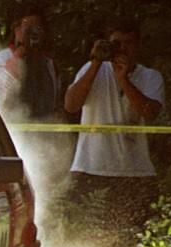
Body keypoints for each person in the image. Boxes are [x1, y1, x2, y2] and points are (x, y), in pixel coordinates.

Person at [63, 17, 165, 234]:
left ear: (138, 45)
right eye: (116, 43)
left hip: (134, 171)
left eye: (128, 43)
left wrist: (123, 79)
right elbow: (71, 105)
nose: (123, 48)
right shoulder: (91, 70)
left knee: (132, 237)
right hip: (91, 167)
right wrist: (96, 62)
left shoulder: (150, 76)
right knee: (86, 234)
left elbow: (149, 113)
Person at [0, 3, 61, 120]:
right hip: (14, 134)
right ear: (16, 29)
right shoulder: (3, 58)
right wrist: (18, 57)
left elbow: (54, 105)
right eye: (29, 29)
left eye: (37, 28)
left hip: (44, 134)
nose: (34, 33)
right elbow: (1, 98)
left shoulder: (49, 64)